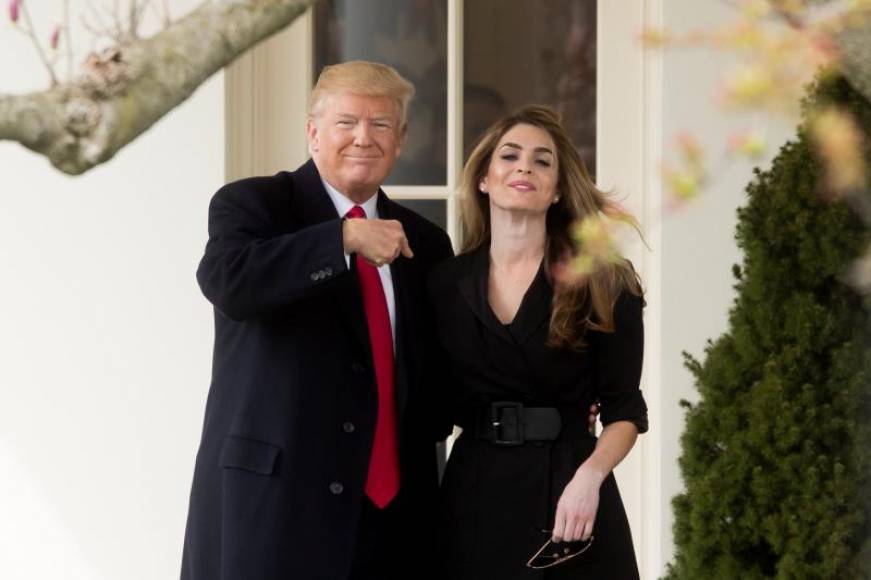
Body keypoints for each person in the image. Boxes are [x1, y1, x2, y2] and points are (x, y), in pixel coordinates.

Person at [180, 61, 454, 580]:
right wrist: (342, 239)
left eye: (380, 124)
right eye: (346, 122)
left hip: (395, 518)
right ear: (313, 133)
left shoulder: (425, 241)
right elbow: (228, 282)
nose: (363, 137)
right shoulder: (255, 205)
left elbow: (441, 373)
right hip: (277, 508)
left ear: (400, 141)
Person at [429, 105, 648, 579]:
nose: (524, 167)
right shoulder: (443, 284)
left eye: (542, 161)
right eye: (509, 156)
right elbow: (428, 403)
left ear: (558, 189)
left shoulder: (605, 281)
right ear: (484, 178)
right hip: (475, 497)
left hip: (572, 495)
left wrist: (590, 477)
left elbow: (625, 411)